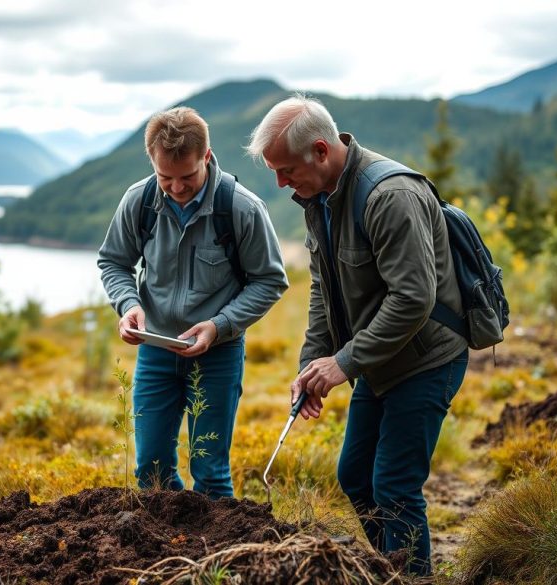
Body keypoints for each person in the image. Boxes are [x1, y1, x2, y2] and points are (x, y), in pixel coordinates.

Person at [246, 94, 468, 575]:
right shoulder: (318, 199)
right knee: (354, 476)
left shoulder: (390, 197)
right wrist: (314, 364)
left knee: (394, 484)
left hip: (426, 357)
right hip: (379, 359)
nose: (281, 183)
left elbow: (413, 299)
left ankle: (412, 576)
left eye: (286, 170)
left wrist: (343, 363)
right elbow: (325, 290)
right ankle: (393, 567)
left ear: (321, 151)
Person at [98, 106, 288, 499]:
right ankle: (170, 550)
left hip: (218, 353)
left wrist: (219, 325)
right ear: (151, 161)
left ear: (206, 155)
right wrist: (128, 304)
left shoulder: (241, 208)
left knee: (211, 471)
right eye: (165, 177)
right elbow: (114, 263)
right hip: (155, 351)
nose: (177, 187)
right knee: (150, 469)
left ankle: (216, 559)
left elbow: (270, 280)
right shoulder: (139, 201)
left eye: (187, 176)